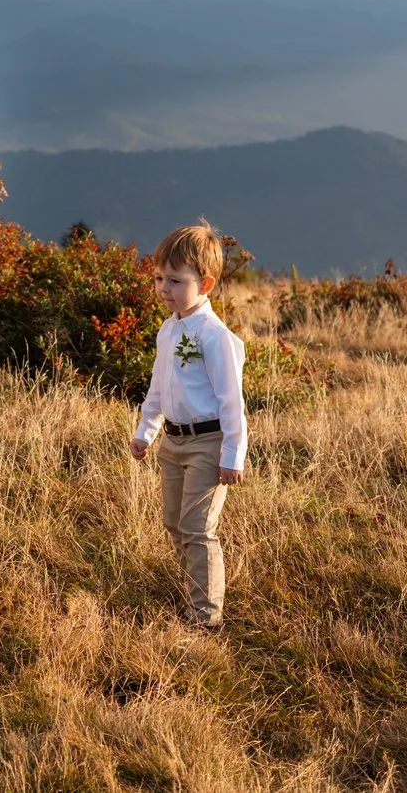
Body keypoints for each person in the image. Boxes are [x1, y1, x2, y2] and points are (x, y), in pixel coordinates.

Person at [128, 221, 249, 629]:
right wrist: (147, 430)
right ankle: (194, 590)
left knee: (197, 527)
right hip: (173, 443)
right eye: (159, 278)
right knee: (173, 523)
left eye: (176, 281)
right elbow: (159, 385)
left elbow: (232, 401)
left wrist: (233, 455)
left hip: (207, 442)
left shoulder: (215, 337)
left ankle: (205, 615)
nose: (164, 288)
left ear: (207, 284)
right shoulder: (169, 329)